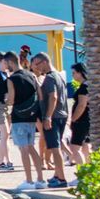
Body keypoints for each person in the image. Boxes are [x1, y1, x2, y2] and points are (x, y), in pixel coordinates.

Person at [3, 52, 45, 189]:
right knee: (31, 147)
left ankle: (29, 181)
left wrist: (5, 102)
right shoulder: (32, 75)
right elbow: (40, 96)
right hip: (32, 116)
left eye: (6, 63)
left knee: (24, 149)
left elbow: (11, 100)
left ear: (10, 62)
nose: (5, 66)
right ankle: (40, 179)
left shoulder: (11, 79)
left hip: (18, 117)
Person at [30, 52, 69, 188]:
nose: (36, 67)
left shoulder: (50, 77)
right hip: (62, 115)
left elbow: (53, 97)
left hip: (53, 116)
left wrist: (47, 117)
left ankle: (61, 179)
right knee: (54, 146)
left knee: (55, 148)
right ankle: (57, 175)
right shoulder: (59, 76)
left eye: (37, 64)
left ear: (45, 62)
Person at [66, 62, 91, 167]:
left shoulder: (84, 88)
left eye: (74, 73)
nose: (72, 75)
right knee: (85, 147)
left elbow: (81, 105)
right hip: (87, 120)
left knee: (74, 148)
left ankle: (82, 171)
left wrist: (73, 119)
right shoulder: (88, 85)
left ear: (80, 73)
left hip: (81, 121)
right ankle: (90, 169)